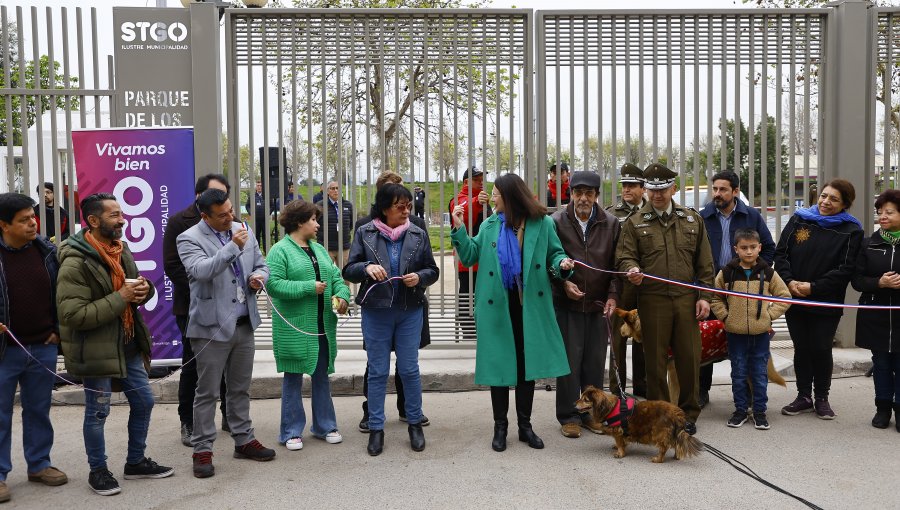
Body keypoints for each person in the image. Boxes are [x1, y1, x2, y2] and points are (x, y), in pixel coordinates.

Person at [56, 193, 174, 496]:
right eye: (114, 215)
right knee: (97, 412)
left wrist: (142, 291)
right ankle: (98, 470)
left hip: (128, 343)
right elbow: (73, 314)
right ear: (94, 221)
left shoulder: (121, 249)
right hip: (95, 349)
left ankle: (135, 462)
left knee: (144, 401)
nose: (122, 220)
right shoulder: (74, 260)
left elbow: (132, 292)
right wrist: (120, 297)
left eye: (121, 213)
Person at [451, 173, 574, 452]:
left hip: (529, 306)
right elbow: (470, 256)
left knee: (525, 369)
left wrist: (563, 263)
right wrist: (459, 229)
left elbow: (555, 255)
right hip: (498, 307)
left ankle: (525, 427)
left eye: (496, 194)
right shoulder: (490, 224)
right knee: (499, 368)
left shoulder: (541, 224)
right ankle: (500, 427)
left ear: (510, 197)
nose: (491, 197)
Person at [177, 188, 274, 478]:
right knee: (206, 392)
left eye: (231, 210)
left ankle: (243, 439)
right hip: (210, 327)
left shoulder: (242, 229)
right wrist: (232, 247)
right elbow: (201, 270)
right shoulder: (189, 238)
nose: (229, 217)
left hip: (244, 324)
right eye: (222, 215)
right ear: (205, 216)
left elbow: (261, 264)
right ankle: (202, 449)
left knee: (240, 388)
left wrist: (259, 278)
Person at [616, 162, 715, 435]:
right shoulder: (634, 223)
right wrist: (631, 270)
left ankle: (688, 415)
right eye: (652, 190)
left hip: (685, 299)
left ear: (674, 188)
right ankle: (660, 414)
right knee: (655, 362)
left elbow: (705, 264)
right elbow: (624, 256)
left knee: (689, 359)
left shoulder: (692, 219)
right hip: (653, 299)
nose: (657, 195)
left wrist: (704, 296)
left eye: (663, 190)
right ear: (646, 191)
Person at [344, 184, 439, 456]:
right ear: (385, 208)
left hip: (410, 311)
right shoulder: (365, 232)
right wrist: (366, 268)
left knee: (409, 370)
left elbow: (432, 270)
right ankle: (376, 428)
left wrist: (420, 277)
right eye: (400, 206)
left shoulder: (418, 233)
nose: (406, 211)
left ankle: (414, 424)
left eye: (408, 205)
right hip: (376, 311)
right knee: (377, 371)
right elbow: (349, 270)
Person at [266, 200, 351, 451]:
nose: (317, 225)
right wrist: (307, 288)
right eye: (313, 220)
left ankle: (325, 426)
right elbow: (274, 285)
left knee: (322, 376)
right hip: (295, 328)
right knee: (293, 378)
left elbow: (336, 277)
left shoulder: (320, 249)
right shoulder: (279, 251)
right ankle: (290, 431)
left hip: (322, 325)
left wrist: (342, 296)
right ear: (300, 222)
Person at [775, 179, 863, 420]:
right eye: (824, 196)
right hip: (795, 297)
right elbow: (781, 253)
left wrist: (814, 287)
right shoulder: (800, 218)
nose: (826, 202)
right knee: (802, 348)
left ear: (845, 204)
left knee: (821, 348)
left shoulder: (851, 230)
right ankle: (803, 396)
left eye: (834, 199)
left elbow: (845, 268)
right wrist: (790, 281)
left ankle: (821, 397)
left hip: (826, 301)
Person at [0, 193, 67, 504]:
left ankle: (39, 464)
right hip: (4, 351)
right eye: (24, 220)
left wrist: (57, 331)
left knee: (38, 410)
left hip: (42, 346)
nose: (33, 223)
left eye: (32, 217)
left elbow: (61, 295)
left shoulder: (46, 251)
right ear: (3, 225)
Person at [162, 174, 231, 447]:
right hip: (194, 305)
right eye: (216, 195)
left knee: (228, 361)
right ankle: (188, 421)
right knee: (194, 364)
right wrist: (207, 290)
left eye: (225, 195)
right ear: (200, 196)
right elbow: (174, 266)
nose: (223, 203)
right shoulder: (180, 222)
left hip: (229, 305)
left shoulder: (232, 223)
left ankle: (229, 414)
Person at [698, 171, 776, 409]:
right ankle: (701, 391)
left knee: (747, 345)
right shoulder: (703, 217)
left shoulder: (751, 216)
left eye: (722, 189)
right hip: (710, 290)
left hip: (742, 291)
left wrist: (752, 274)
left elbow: (769, 249)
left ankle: (749, 395)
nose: (717, 194)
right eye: (714, 189)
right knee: (704, 341)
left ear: (735, 191)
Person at [550, 171, 619, 438]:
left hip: (599, 304)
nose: (583, 198)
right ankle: (569, 415)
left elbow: (617, 264)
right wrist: (563, 284)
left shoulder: (611, 223)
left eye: (589, 193)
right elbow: (548, 261)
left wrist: (613, 295)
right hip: (567, 304)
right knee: (569, 362)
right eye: (578, 193)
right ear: (570, 194)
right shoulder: (555, 221)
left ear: (597, 196)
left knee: (593, 362)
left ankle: (592, 414)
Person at [710, 228, 791, 431]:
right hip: (735, 333)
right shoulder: (726, 272)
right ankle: (740, 410)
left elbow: (784, 296)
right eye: (744, 248)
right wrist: (726, 317)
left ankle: (760, 411)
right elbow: (714, 296)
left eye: (753, 247)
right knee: (738, 373)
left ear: (759, 248)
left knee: (759, 373)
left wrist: (768, 316)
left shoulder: (768, 273)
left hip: (760, 334)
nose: (748, 252)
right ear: (735, 249)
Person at [852, 189, 900, 431]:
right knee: (880, 363)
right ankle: (882, 408)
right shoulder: (869, 244)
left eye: (889, 212)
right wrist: (879, 283)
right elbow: (857, 280)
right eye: (880, 212)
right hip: (875, 313)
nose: (883, 216)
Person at [606, 163, 648, 398]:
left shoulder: (651, 211)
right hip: (621, 284)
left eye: (632, 185)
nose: (627, 189)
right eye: (624, 185)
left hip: (646, 284)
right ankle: (617, 388)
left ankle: (643, 385)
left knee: (643, 334)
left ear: (643, 188)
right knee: (619, 337)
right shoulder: (612, 214)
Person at [449, 167, 491, 341]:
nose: (481, 181)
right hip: (467, 262)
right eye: (477, 179)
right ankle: (468, 333)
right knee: (467, 296)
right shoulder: (458, 200)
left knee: (483, 296)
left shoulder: (483, 200)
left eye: (482, 178)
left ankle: (482, 330)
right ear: (466, 182)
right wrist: (476, 202)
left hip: (485, 259)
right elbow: (461, 213)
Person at [316, 180, 354, 267]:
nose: (336, 191)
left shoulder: (348, 205)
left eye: (337, 188)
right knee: (326, 275)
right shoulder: (320, 205)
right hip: (326, 247)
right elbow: (315, 224)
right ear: (327, 191)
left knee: (346, 276)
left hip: (343, 247)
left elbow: (350, 224)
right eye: (332, 188)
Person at [245, 181, 267, 249]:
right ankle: (257, 251)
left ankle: (266, 251)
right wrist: (250, 213)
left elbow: (272, 205)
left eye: (260, 185)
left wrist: (268, 213)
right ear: (256, 187)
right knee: (256, 236)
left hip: (264, 220)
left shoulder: (266, 195)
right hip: (256, 220)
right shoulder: (252, 196)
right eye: (258, 185)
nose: (259, 187)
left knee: (265, 236)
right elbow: (247, 205)